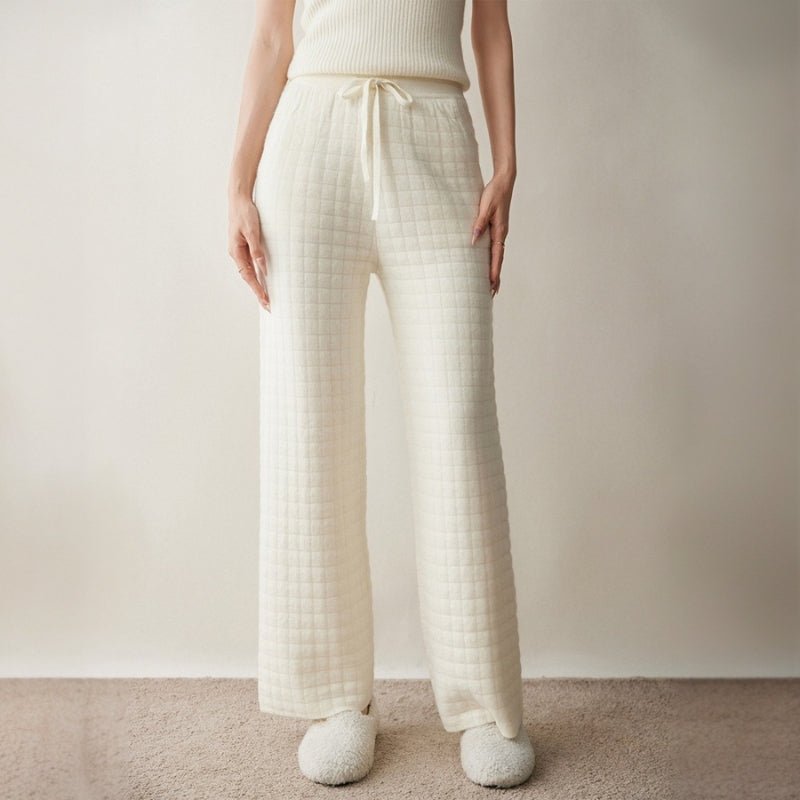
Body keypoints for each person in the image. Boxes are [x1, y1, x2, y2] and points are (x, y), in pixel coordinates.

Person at [227, 0, 534, 788]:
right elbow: (272, 33)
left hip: (435, 133)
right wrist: (237, 184)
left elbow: (490, 24)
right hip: (310, 143)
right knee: (308, 421)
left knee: (458, 421)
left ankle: (485, 705)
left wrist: (507, 162)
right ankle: (337, 700)